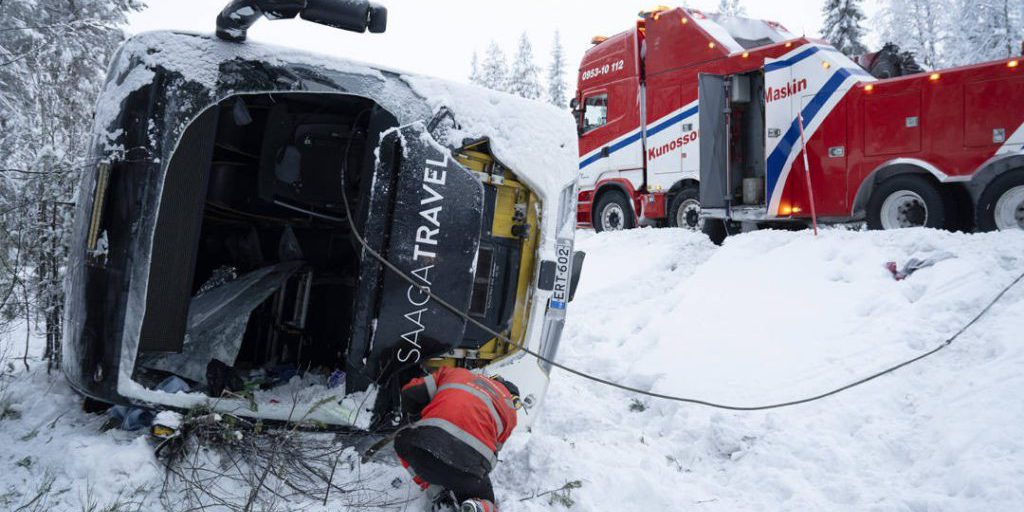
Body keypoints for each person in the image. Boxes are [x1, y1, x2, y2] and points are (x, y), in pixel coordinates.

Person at [395, 367, 520, 512]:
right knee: (487, 500)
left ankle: (434, 491)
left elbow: (410, 392)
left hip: (424, 451)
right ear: (510, 396)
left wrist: (416, 419)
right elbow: (495, 448)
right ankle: (478, 506)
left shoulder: (456, 373)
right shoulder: (511, 413)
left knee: (401, 440)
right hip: (467, 473)